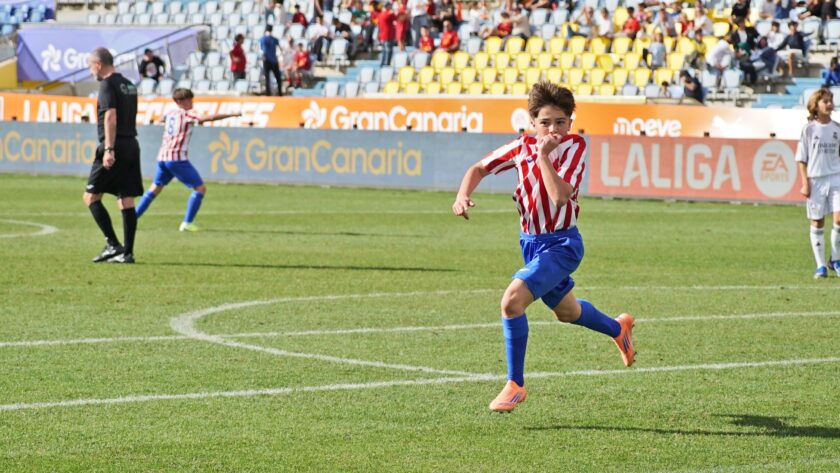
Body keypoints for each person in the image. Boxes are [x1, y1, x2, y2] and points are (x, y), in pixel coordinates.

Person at [451, 81, 636, 413]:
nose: (553, 130)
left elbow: (559, 196)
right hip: (531, 244)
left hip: (562, 244)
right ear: (532, 122)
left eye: (561, 122)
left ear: (570, 122)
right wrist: (462, 195)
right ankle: (617, 328)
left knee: (511, 302)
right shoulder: (520, 146)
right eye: (546, 122)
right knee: (567, 312)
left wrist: (542, 155)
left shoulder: (574, 146)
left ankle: (515, 385)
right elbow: (478, 168)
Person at [135, 89, 240, 232]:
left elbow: (161, 119)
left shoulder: (170, 113)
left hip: (163, 157)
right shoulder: (187, 114)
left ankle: (132, 218)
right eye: (188, 100)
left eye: (191, 99)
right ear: (179, 102)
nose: (191, 102)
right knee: (200, 188)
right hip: (177, 159)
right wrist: (232, 114)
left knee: (155, 188)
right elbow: (208, 118)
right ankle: (187, 223)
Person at [85, 47, 142, 264]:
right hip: (131, 144)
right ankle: (127, 253)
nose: (91, 72)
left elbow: (110, 116)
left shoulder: (107, 84)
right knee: (126, 199)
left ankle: (113, 244)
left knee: (91, 197)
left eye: (91, 67)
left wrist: (109, 149)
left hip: (114, 145)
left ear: (98, 64)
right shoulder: (129, 85)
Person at [795, 89, 840, 278]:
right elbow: (801, 159)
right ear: (815, 105)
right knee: (817, 221)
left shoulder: (837, 128)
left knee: (839, 219)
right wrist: (805, 183)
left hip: (836, 178)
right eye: (825, 101)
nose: (829, 104)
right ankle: (821, 265)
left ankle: (835, 259)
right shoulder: (809, 129)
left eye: (830, 101)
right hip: (816, 180)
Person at [260, 25, 283, 96]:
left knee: (267, 78)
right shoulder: (274, 39)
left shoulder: (263, 39)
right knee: (278, 78)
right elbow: (279, 48)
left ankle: (268, 94)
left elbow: (263, 50)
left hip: (266, 60)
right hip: (273, 60)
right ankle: (280, 93)